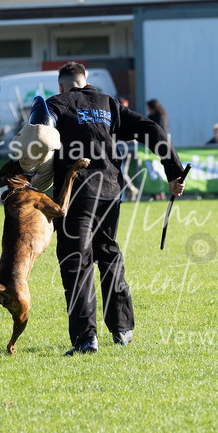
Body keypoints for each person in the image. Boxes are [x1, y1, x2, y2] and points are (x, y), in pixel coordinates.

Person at [34, 62, 185, 355]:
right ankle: (122, 329)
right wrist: (174, 171)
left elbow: (37, 135)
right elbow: (150, 129)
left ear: (61, 85)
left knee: (77, 262)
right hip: (110, 192)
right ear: (85, 80)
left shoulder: (57, 103)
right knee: (108, 253)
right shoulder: (107, 104)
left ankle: (85, 338)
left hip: (75, 193)